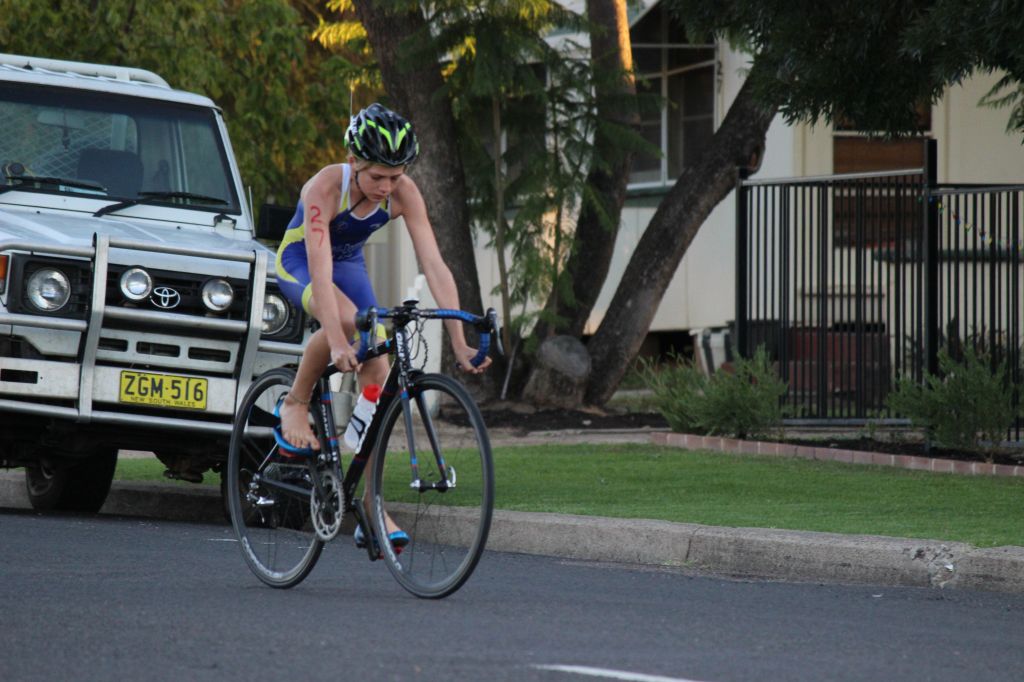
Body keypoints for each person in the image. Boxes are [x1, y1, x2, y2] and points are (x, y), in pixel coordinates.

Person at [274, 103, 490, 546]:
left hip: (349, 263)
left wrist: (459, 340)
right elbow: (320, 268)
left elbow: (434, 264)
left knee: (379, 364)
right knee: (350, 321)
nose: (386, 187)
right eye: (377, 177)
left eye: (395, 176)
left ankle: (372, 503)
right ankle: (295, 401)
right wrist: (337, 340)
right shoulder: (324, 187)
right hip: (301, 262)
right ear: (353, 160)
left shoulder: (404, 192)